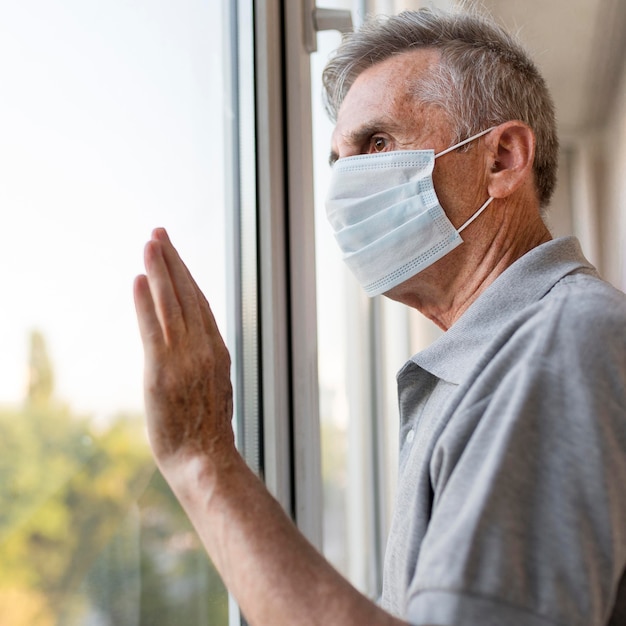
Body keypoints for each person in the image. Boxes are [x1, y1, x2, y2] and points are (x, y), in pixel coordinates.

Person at [133, 7, 626, 626]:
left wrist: (203, 457)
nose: (346, 188)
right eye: (341, 161)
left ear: (502, 159)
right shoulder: (505, 355)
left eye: (378, 143)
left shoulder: (556, 346)